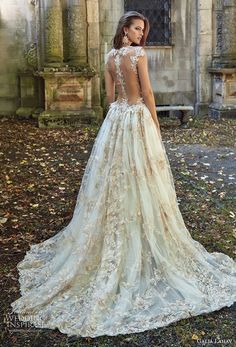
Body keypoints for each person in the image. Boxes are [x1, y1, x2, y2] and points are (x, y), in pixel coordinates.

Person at [11, 11, 236, 338]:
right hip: (134, 119)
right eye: (136, 28)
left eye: (143, 29)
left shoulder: (111, 56)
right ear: (125, 29)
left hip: (115, 119)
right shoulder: (138, 55)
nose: (141, 33)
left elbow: (108, 96)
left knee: (112, 177)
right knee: (141, 174)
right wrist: (155, 125)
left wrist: (119, 110)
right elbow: (146, 93)